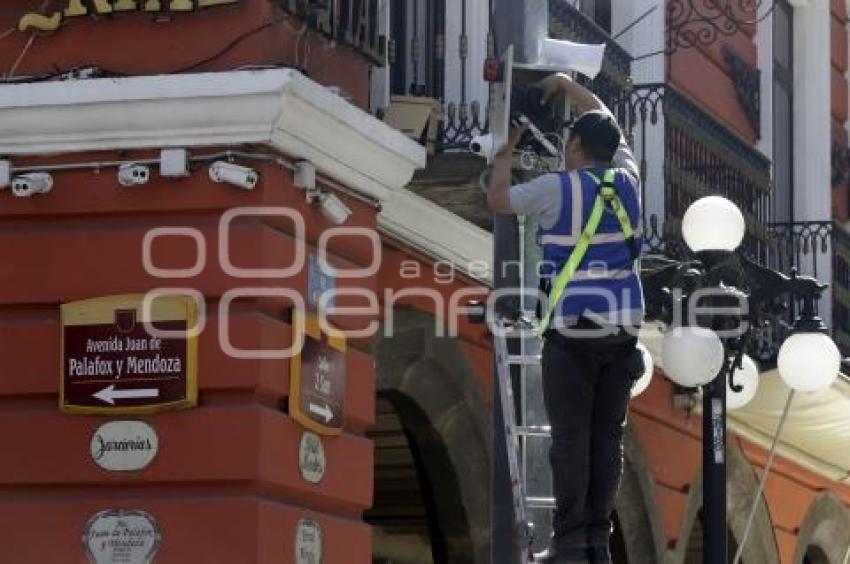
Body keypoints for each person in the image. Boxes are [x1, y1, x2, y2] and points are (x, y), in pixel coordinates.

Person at [487, 73, 646, 564]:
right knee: (607, 436)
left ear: (575, 145)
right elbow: (610, 123)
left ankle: (572, 539)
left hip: (573, 328)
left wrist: (504, 151)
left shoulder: (555, 189)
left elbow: (497, 200)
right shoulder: (629, 179)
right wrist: (568, 85)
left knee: (571, 439)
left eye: (569, 142)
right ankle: (597, 537)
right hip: (623, 329)